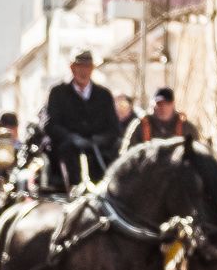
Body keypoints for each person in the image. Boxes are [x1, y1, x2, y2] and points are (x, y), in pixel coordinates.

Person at [41, 50, 120, 192]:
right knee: (64, 152)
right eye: (80, 67)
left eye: (87, 67)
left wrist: (99, 140)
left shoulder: (104, 95)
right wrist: (71, 138)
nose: (83, 71)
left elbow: (114, 128)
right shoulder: (58, 93)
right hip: (68, 152)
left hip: (99, 152)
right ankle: (70, 188)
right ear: (72, 68)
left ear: (92, 69)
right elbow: (50, 124)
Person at [125, 87, 198, 145]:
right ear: (154, 105)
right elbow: (128, 154)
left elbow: (196, 154)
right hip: (148, 163)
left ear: (173, 104)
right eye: (159, 104)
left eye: (167, 103)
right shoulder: (141, 126)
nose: (163, 107)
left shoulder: (187, 127)